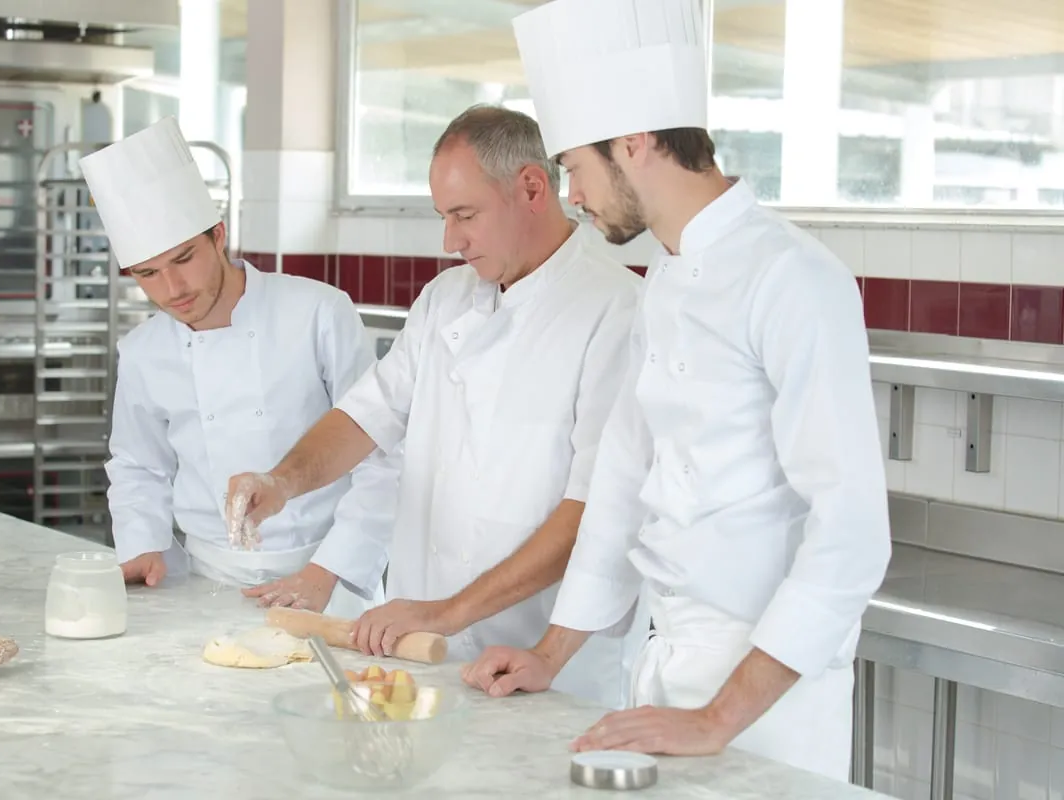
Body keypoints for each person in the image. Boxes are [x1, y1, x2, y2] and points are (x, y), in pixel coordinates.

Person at [461, 0, 891, 781]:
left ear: (634, 143)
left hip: (770, 694)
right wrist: (551, 654)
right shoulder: (662, 274)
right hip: (668, 663)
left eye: (575, 169)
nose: (572, 195)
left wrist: (719, 718)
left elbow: (853, 534)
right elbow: (622, 479)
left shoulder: (794, 278)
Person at [225, 105, 649, 709]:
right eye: (443, 217)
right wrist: (282, 480)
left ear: (532, 187)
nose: (451, 242)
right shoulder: (444, 300)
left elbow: (593, 509)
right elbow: (366, 415)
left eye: (465, 215)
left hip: (545, 666)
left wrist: (448, 612)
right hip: (423, 649)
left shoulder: (618, 312)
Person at [80, 116, 396, 618]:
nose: (172, 289)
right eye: (147, 274)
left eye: (183, 259)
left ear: (218, 235)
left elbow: (382, 453)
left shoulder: (318, 312)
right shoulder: (143, 350)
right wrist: (142, 545)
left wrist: (330, 570)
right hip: (205, 584)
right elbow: (139, 465)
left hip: (329, 583)